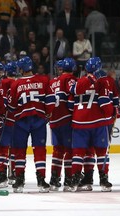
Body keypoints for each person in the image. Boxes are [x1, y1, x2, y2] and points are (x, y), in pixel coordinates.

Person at [69, 58, 114, 192]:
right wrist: (112, 113)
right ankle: (103, 179)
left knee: (79, 153)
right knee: (101, 152)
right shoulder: (103, 81)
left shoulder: (80, 81)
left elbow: (72, 95)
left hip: (79, 122)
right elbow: (105, 103)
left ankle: (77, 179)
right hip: (97, 122)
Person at [8, 56, 52, 193]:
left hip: (21, 121)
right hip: (39, 120)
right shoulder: (43, 80)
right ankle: (41, 180)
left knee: (19, 150)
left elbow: (11, 105)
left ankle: (19, 179)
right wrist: (48, 113)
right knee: (40, 150)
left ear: (21, 69)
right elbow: (50, 100)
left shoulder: (15, 84)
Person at [47, 58, 77, 192]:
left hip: (53, 120)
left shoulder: (52, 82)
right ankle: (68, 180)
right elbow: (73, 98)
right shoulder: (70, 79)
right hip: (65, 119)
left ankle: (54, 179)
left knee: (57, 151)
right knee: (69, 150)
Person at [0, 61, 17, 188]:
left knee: (6, 146)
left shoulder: (9, 82)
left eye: (0, 71)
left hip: (9, 120)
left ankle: (9, 172)